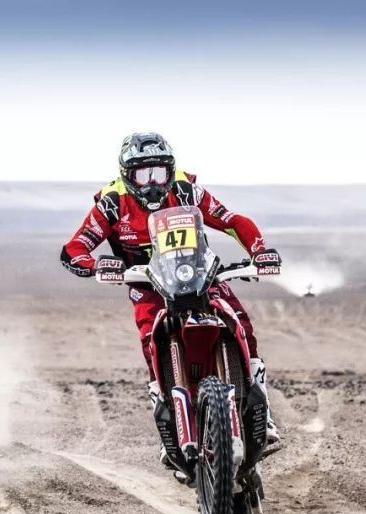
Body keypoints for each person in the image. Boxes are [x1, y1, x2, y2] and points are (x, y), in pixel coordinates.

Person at [59, 132, 282, 457]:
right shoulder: (111, 203)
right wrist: (96, 265)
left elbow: (232, 221)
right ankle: (171, 426)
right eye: (143, 174)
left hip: (199, 275)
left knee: (241, 325)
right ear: (127, 174)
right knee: (151, 340)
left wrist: (258, 250)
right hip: (148, 286)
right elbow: (74, 248)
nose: (152, 183)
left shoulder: (187, 190)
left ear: (170, 170)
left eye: (159, 173)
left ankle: (263, 413)